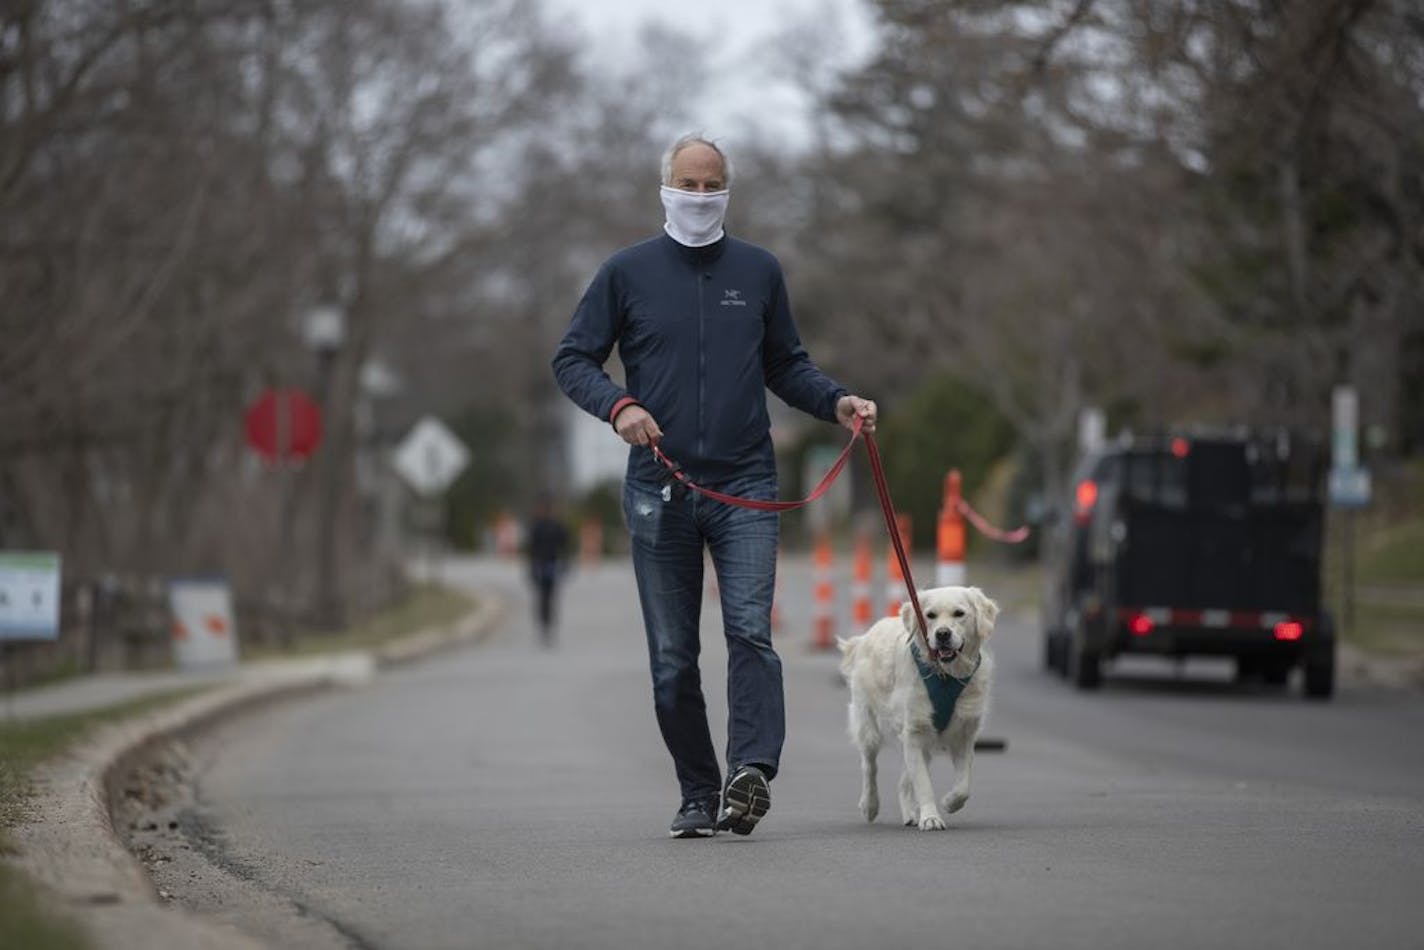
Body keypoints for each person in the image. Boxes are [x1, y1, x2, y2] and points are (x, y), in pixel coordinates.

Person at [552, 133, 877, 838]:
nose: (700, 197)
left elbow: (787, 364)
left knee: (750, 631)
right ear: (664, 187)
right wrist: (620, 407)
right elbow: (572, 358)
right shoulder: (626, 273)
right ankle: (699, 791)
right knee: (673, 660)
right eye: (688, 184)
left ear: (727, 190)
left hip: (746, 484)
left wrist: (836, 402)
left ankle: (750, 771)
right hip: (657, 487)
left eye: (712, 185)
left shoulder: (758, 271)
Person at [524, 494, 571, 647]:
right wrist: (531, 567)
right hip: (539, 566)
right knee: (541, 597)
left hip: (552, 566)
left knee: (551, 597)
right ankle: (543, 625)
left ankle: (550, 625)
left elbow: (565, 546)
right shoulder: (536, 526)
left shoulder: (557, 526)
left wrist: (565, 564)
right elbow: (530, 548)